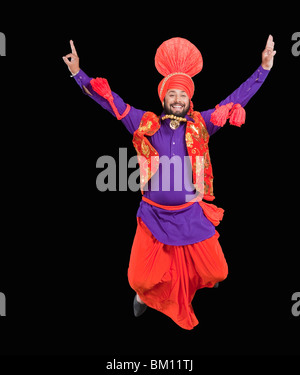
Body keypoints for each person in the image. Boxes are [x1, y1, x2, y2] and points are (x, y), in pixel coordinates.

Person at [63, 35, 276, 330]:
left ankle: (198, 281)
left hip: (190, 215)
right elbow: (108, 100)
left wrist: (263, 68)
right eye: (172, 94)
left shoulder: (202, 123)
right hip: (153, 216)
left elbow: (235, 100)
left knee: (219, 273)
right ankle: (145, 296)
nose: (177, 99)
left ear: (189, 99)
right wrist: (78, 73)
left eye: (182, 95)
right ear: (164, 98)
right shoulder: (145, 123)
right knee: (139, 279)